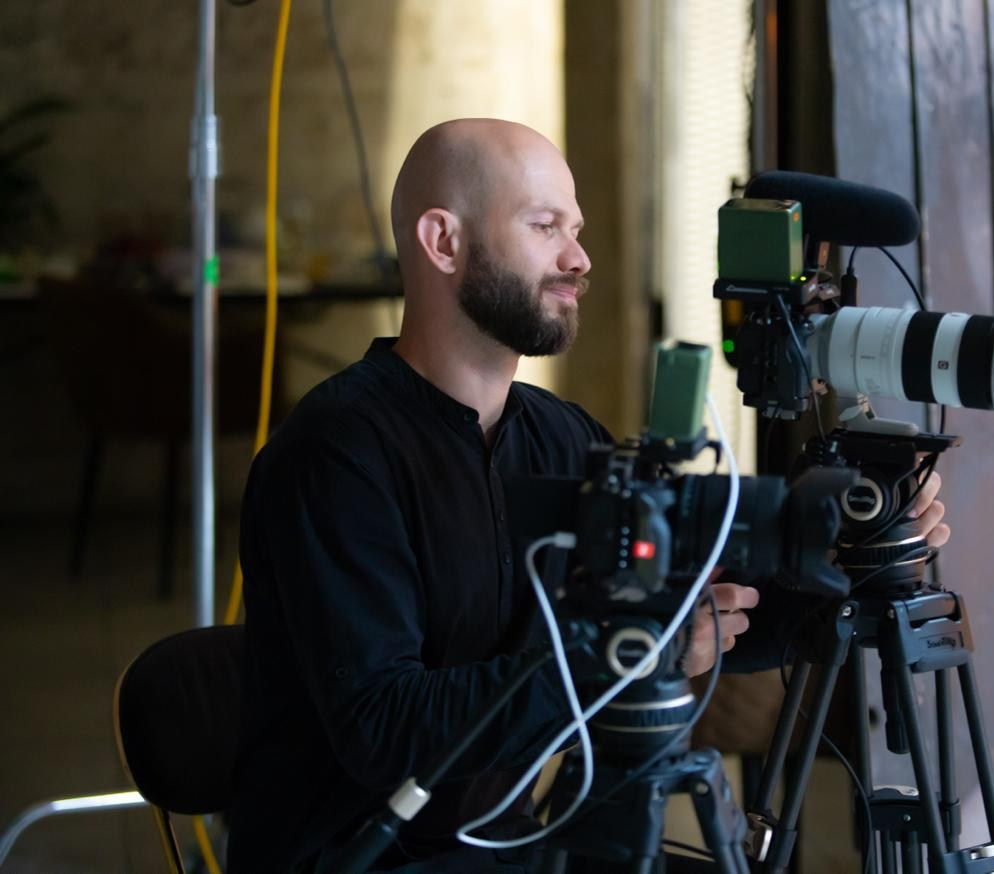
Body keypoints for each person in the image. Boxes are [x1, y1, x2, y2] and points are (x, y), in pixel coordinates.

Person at [227, 118, 949, 873]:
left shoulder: (563, 436)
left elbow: (705, 614)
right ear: (442, 241)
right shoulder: (337, 454)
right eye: (544, 227)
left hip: (510, 849)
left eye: (575, 231)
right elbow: (385, 730)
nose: (579, 259)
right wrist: (639, 656)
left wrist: (855, 560)